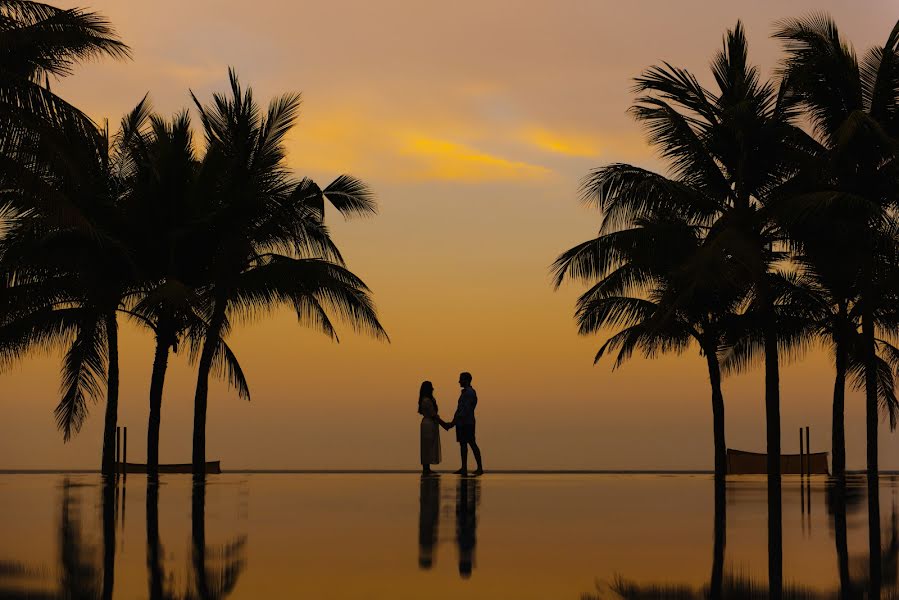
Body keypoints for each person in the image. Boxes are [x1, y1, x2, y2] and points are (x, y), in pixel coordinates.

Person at [443, 372, 484, 476]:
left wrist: (453, 422)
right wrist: (454, 421)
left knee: (471, 443)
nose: (459, 381)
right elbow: (459, 410)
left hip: (467, 423)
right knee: (463, 445)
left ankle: (479, 468)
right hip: (461, 423)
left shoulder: (470, 393)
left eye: (461, 379)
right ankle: (464, 467)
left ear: (466, 380)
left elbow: (465, 410)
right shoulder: (464, 393)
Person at [418, 381, 443, 475]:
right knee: (427, 446)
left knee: (427, 446)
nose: (433, 389)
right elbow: (433, 414)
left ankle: (427, 468)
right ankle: (426, 468)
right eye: (431, 387)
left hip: (428, 423)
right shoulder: (427, 401)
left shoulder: (425, 400)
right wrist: (444, 424)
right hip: (429, 424)